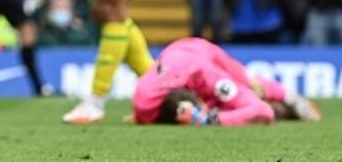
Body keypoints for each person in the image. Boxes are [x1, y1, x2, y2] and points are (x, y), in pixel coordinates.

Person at [132, 37, 320, 126]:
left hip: (202, 51)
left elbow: (264, 112)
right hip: (175, 56)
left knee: (248, 85)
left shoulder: (207, 75)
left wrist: (212, 120)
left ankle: (291, 98)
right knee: (227, 105)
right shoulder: (143, 102)